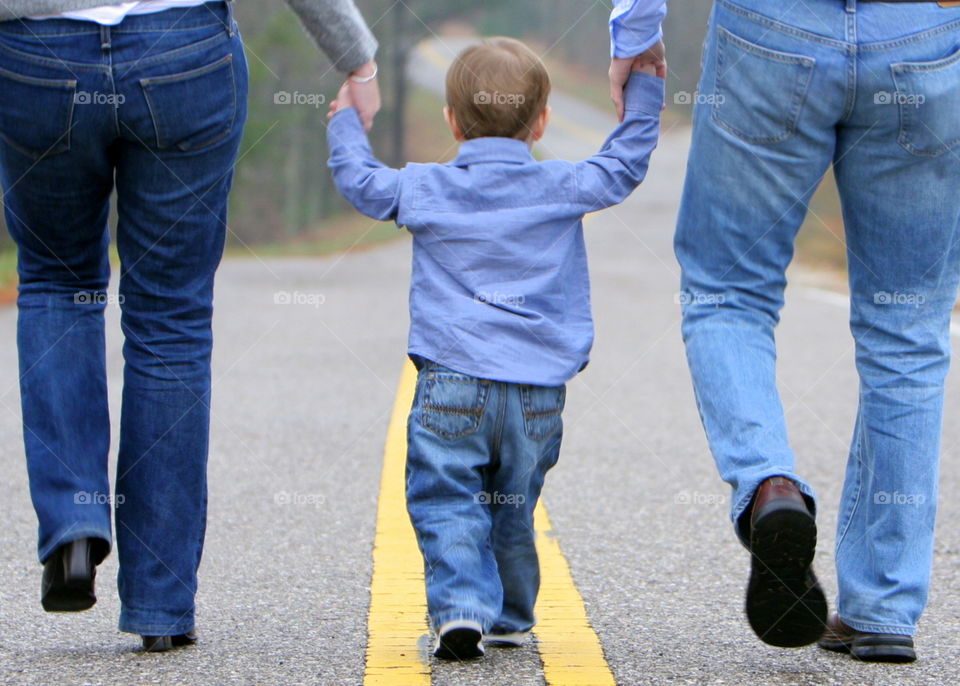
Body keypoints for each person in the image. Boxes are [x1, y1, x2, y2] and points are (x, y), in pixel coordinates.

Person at [0, 0, 380, 651]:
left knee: (60, 286)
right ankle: (159, 602)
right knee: (169, 319)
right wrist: (356, 58)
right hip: (183, 54)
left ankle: (72, 525)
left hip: (36, 53)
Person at [612, 0, 960, 663]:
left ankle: (769, 486)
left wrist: (635, 29)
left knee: (727, 290)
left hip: (770, 31)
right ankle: (884, 605)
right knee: (908, 326)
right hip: (923, 34)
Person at [327, 35, 665, 660]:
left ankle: (460, 608)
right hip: (537, 394)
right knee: (514, 502)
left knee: (447, 497)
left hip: (452, 384)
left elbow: (359, 181)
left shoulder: (425, 188)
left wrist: (347, 122)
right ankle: (509, 613)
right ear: (541, 122)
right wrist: (643, 89)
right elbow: (625, 163)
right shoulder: (565, 184)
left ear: (452, 120)